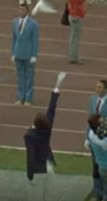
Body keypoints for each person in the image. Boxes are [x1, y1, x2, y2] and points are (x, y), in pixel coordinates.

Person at [24, 73, 67, 201]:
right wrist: (57, 86)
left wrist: (30, 175)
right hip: (48, 166)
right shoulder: (46, 129)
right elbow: (51, 109)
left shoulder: (29, 136)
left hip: (37, 171)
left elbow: (31, 156)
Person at [85, 79, 107, 200]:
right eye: (97, 87)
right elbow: (90, 119)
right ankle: (97, 193)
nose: (97, 89)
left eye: (100, 87)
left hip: (105, 139)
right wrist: (87, 137)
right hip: (94, 139)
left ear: (106, 90)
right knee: (95, 167)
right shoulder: (93, 100)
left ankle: (106, 194)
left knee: (105, 169)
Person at [12, 3, 39, 105]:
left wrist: (34, 55)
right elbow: (14, 39)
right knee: (20, 77)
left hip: (28, 54)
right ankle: (20, 97)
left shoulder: (33, 24)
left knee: (29, 77)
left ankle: (28, 98)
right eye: (20, 9)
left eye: (23, 9)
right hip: (18, 53)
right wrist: (13, 52)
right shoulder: (14, 22)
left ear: (27, 11)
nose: (21, 11)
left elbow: (35, 40)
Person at [67, 0, 88, 64]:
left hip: (76, 16)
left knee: (74, 38)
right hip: (76, 17)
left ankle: (74, 56)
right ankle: (73, 57)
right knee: (74, 39)